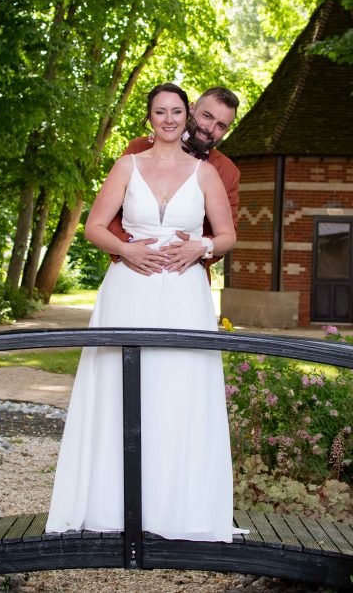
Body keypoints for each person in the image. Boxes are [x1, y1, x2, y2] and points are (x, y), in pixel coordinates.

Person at [46, 83, 239, 542]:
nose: (174, 120)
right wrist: (127, 252)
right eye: (163, 112)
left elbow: (228, 234)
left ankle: (180, 509)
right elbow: (96, 225)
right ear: (153, 116)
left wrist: (202, 246)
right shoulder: (129, 160)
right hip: (130, 290)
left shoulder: (218, 173)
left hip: (185, 296)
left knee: (180, 392)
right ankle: (108, 506)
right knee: (118, 388)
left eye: (220, 125)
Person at [107, 86, 240, 277]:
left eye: (221, 126)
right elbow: (109, 214)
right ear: (191, 109)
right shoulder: (139, 148)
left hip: (187, 275)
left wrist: (199, 249)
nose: (210, 129)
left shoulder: (227, 171)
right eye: (207, 116)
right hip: (132, 268)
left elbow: (228, 235)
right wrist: (127, 248)